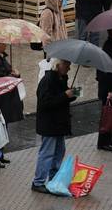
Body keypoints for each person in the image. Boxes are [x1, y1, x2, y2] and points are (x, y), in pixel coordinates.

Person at [32, 59, 76, 193]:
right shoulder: (48, 81)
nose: (69, 68)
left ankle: (53, 178)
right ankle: (38, 182)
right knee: (47, 153)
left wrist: (73, 94)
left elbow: (62, 98)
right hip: (50, 125)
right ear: (58, 65)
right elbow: (45, 102)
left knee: (58, 152)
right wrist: (65, 95)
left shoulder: (60, 78)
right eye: (67, 65)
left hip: (58, 125)